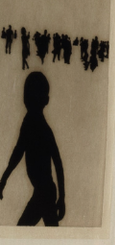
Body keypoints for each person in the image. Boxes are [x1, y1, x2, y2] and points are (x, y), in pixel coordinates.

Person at [1, 69, 66, 226]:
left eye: (31, 94)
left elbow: (57, 162)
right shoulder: (31, 122)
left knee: (23, 230)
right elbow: (18, 152)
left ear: (45, 100)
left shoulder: (37, 126)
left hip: (44, 193)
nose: (27, 98)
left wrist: (62, 198)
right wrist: (3, 179)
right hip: (44, 193)